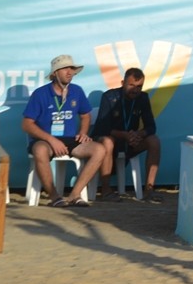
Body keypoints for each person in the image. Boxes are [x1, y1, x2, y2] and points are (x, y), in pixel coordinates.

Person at [20, 55, 106, 207]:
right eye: (65, 68)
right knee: (40, 150)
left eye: (72, 69)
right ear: (55, 73)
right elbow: (27, 125)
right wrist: (52, 140)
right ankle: (54, 197)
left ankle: (75, 194)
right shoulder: (40, 94)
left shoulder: (77, 91)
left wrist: (83, 132)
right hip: (46, 140)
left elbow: (86, 115)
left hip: (70, 139)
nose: (70, 72)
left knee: (99, 149)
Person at [92, 67, 162, 203]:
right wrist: (125, 135)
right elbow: (102, 128)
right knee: (108, 141)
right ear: (122, 82)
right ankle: (106, 191)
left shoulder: (143, 98)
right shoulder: (109, 97)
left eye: (139, 86)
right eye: (131, 85)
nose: (135, 90)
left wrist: (139, 134)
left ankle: (149, 190)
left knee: (154, 141)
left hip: (130, 142)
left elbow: (151, 127)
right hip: (110, 141)